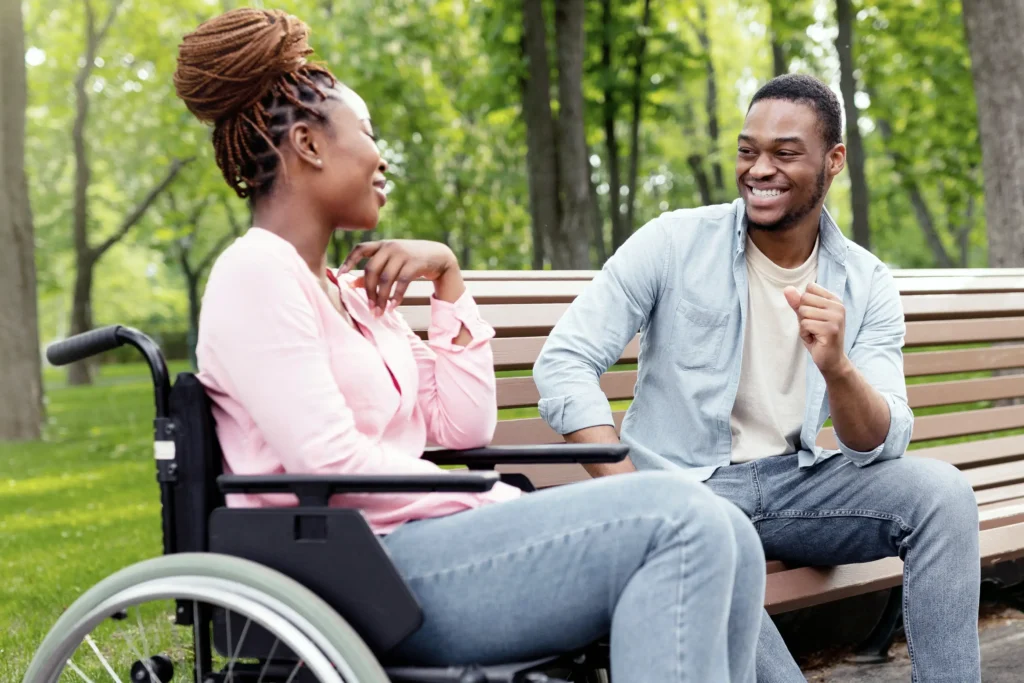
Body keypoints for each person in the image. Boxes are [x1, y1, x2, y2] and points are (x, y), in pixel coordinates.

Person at [174, 8, 766, 681]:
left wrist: (448, 280)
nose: (381, 155)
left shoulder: (348, 289)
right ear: (308, 145)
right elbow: (327, 457)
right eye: (367, 134)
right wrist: (483, 496)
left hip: (420, 548)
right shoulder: (257, 273)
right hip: (362, 571)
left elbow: (461, 423)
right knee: (683, 519)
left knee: (733, 534)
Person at [533, 73, 981, 683]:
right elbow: (564, 362)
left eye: (785, 153)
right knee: (716, 549)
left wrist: (838, 367)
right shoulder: (674, 242)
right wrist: (637, 494)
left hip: (797, 483)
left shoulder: (866, 280)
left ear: (834, 161)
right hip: (686, 485)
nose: (759, 169)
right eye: (748, 151)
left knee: (944, 497)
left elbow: (877, 440)